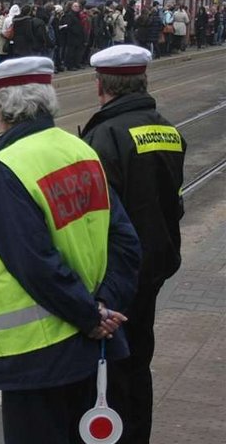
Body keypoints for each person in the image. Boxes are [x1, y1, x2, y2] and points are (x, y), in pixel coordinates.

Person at [0, 56, 142, 444]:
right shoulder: (79, 150)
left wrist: (91, 316)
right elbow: (125, 239)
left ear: (0, 107)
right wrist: (104, 306)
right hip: (88, 344)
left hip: (37, 349)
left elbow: (33, 263)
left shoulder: (6, 166)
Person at [81, 44, 186, 444]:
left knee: (113, 368)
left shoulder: (104, 135)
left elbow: (98, 212)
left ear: (101, 85)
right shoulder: (166, 128)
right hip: (157, 260)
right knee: (140, 358)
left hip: (119, 271)